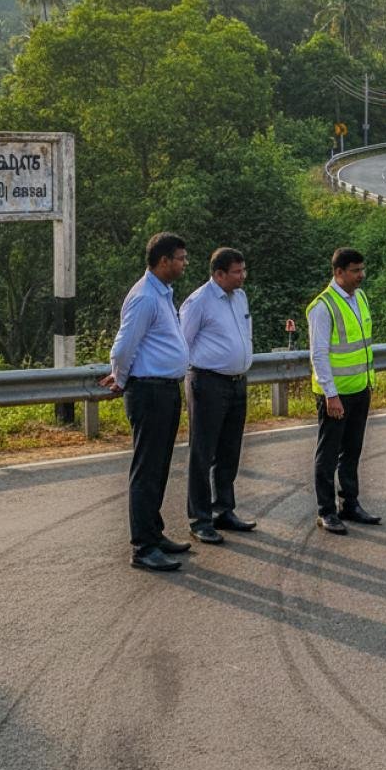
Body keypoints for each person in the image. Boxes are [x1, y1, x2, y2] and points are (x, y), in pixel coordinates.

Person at [99, 232, 192, 573]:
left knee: (160, 466)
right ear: (164, 260)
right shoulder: (144, 297)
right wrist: (121, 377)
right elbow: (123, 347)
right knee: (146, 470)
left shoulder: (162, 293)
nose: (184, 264)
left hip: (165, 389)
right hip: (149, 390)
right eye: (181, 258)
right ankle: (143, 546)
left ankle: (155, 532)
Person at [180, 246, 256, 545]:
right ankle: (200, 518)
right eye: (237, 272)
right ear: (219, 273)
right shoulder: (198, 302)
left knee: (229, 450)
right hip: (207, 382)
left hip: (237, 382)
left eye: (243, 270)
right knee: (203, 452)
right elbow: (182, 342)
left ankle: (223, 509)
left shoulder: (240, 297)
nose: (243, 276)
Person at [307, 247, 381, 534]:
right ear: (338, 272)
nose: (361, 275)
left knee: (352, 450)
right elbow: (319, 354)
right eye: (355, 270)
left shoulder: (359, 297)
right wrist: (331, 394)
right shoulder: (322, 306)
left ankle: (349, 503)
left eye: (362, 269)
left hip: (360, 388)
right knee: (328, 454)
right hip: (336, 393)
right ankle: (326, 511)